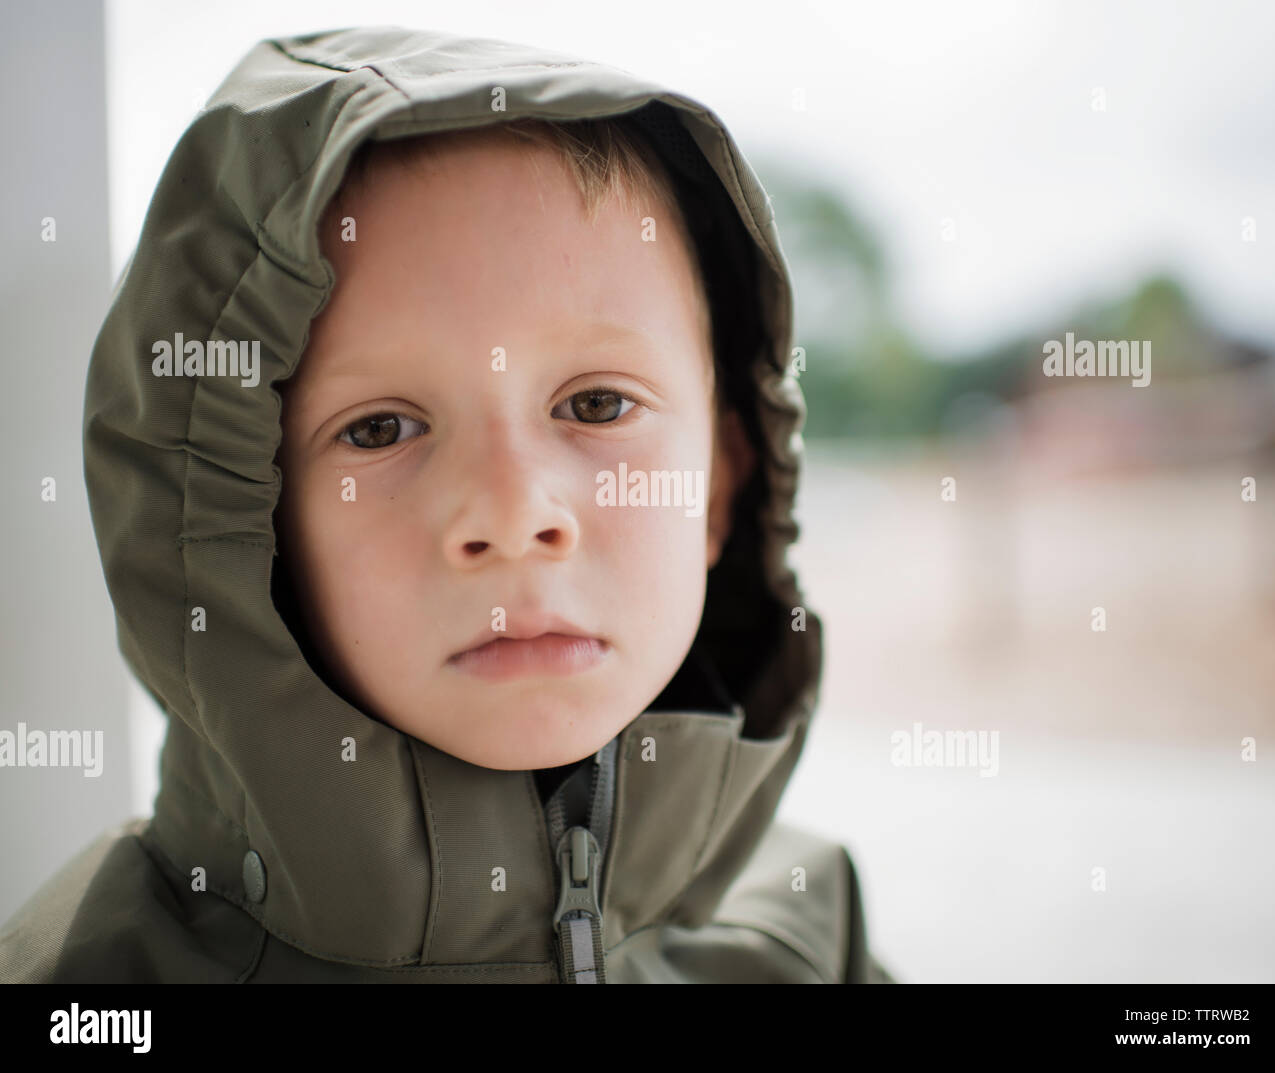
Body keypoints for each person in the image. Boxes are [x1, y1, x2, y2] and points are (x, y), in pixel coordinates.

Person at [0, 25, 895, 983]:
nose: (515, 515)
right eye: (381, 429)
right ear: (243, 523)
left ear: (718, 487)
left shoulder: (805, 929)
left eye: (597, 405)